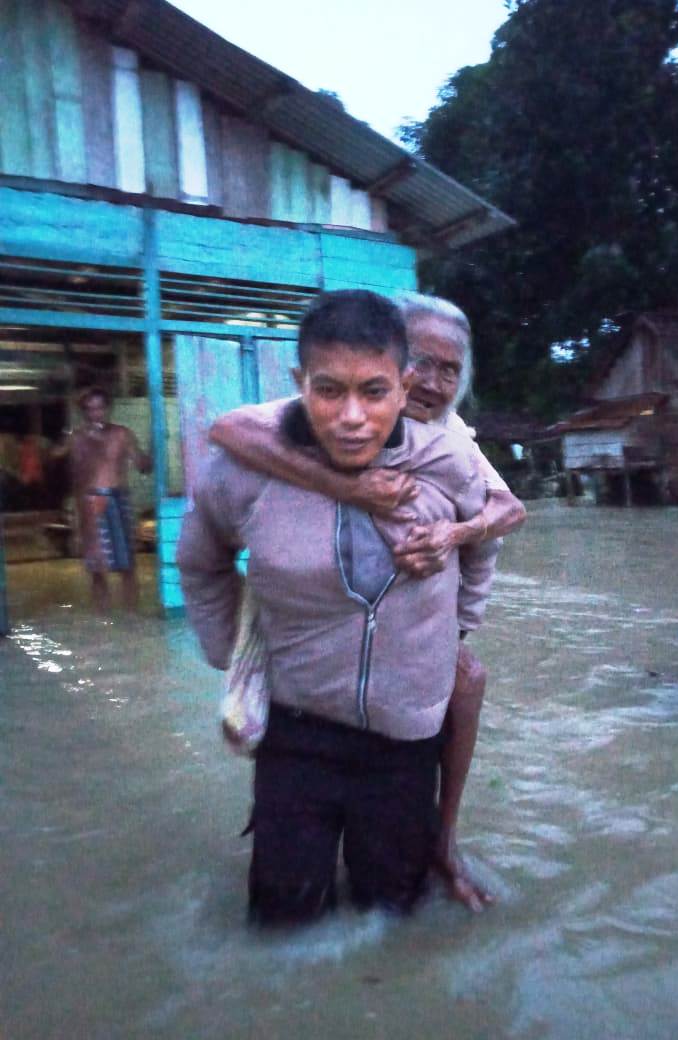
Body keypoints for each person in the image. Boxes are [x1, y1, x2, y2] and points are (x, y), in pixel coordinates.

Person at [178, 289, 500, 926]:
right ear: (300, 383)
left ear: (403, 388)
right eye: (329, 391)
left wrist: (452, 632)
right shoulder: (245, 469)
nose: (351, 416)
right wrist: (227, 653)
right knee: (284, 919)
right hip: (297, 730)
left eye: (374, 392)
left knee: (395, 912)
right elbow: (200, 559)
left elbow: (486, 539)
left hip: (406, 738)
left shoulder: (450, 461)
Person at [55, 387, 151, 611]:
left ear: (108, 408)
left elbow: (142, 465)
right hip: (90, 504)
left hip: (118, 500)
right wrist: (72, 438)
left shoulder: (122, 434)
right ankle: (104, 620)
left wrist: (150, 455)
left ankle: (131, 618)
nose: (96, 414)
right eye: (90, 409)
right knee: (97, 569)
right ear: (84, 412)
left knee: (127, 565)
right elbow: (56, 456)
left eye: (100, 408)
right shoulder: (77, 437)